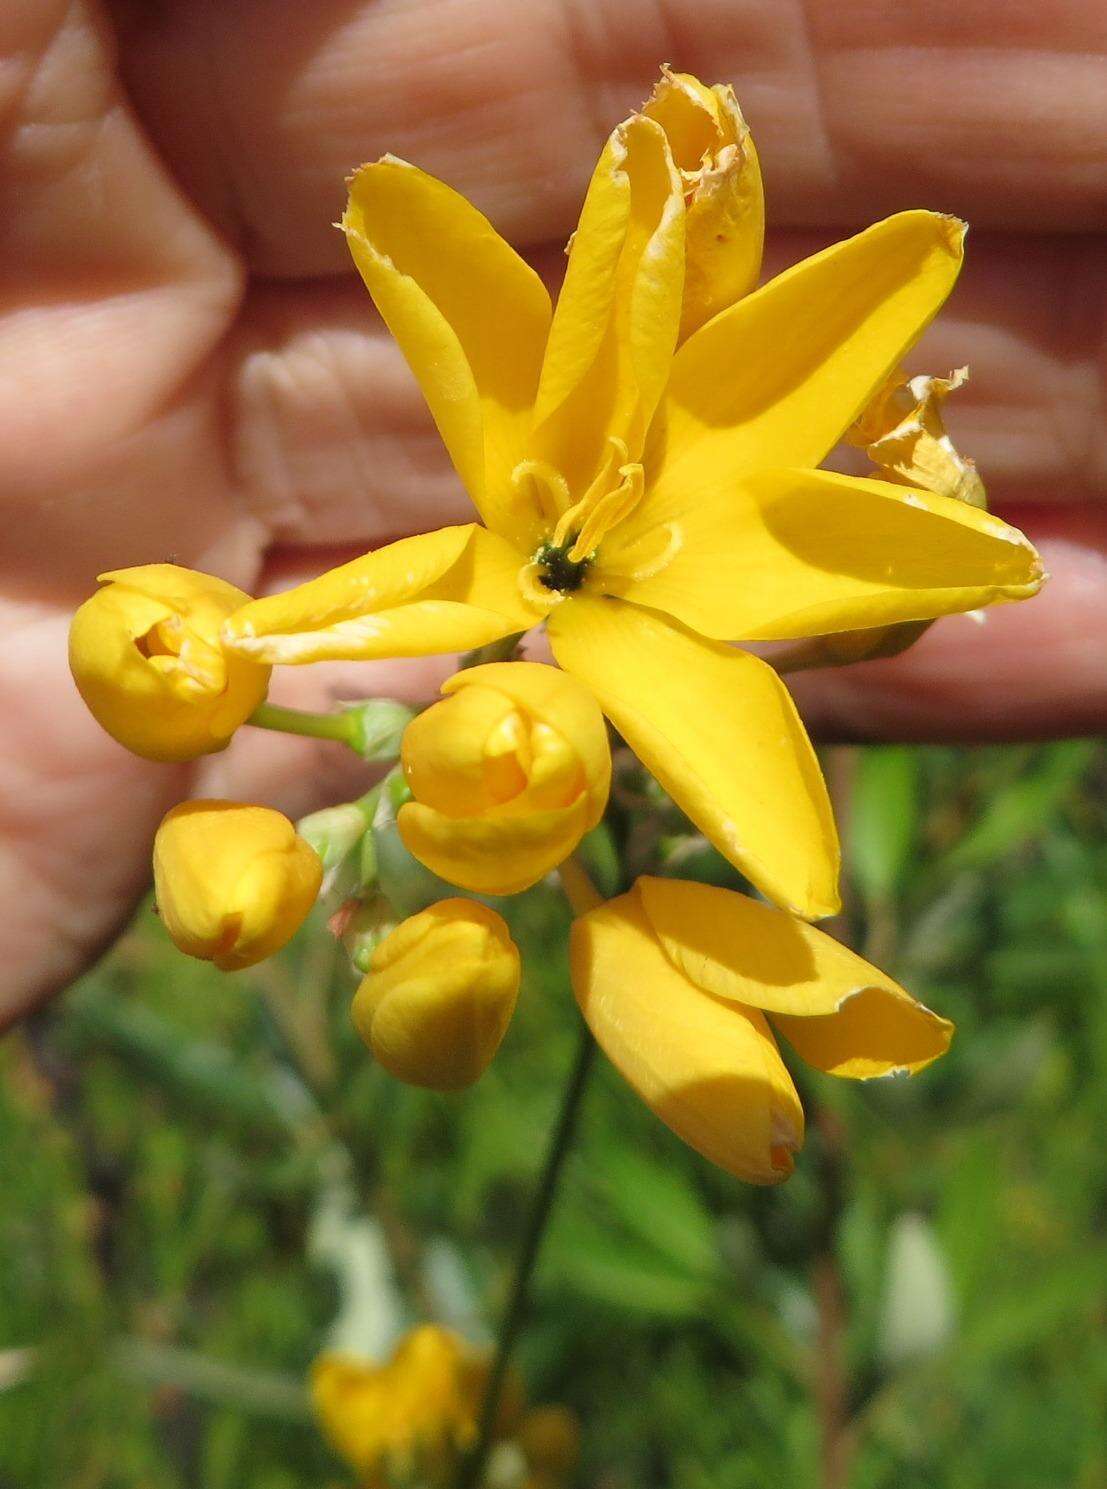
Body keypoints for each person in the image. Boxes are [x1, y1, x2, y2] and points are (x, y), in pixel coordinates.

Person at [2, 0, 1104, 1026]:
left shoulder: (610, 615)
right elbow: (402, 235)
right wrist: (259, 635)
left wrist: (260, 636)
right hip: (528, 563)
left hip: (599, 591)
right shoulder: (511, 558)